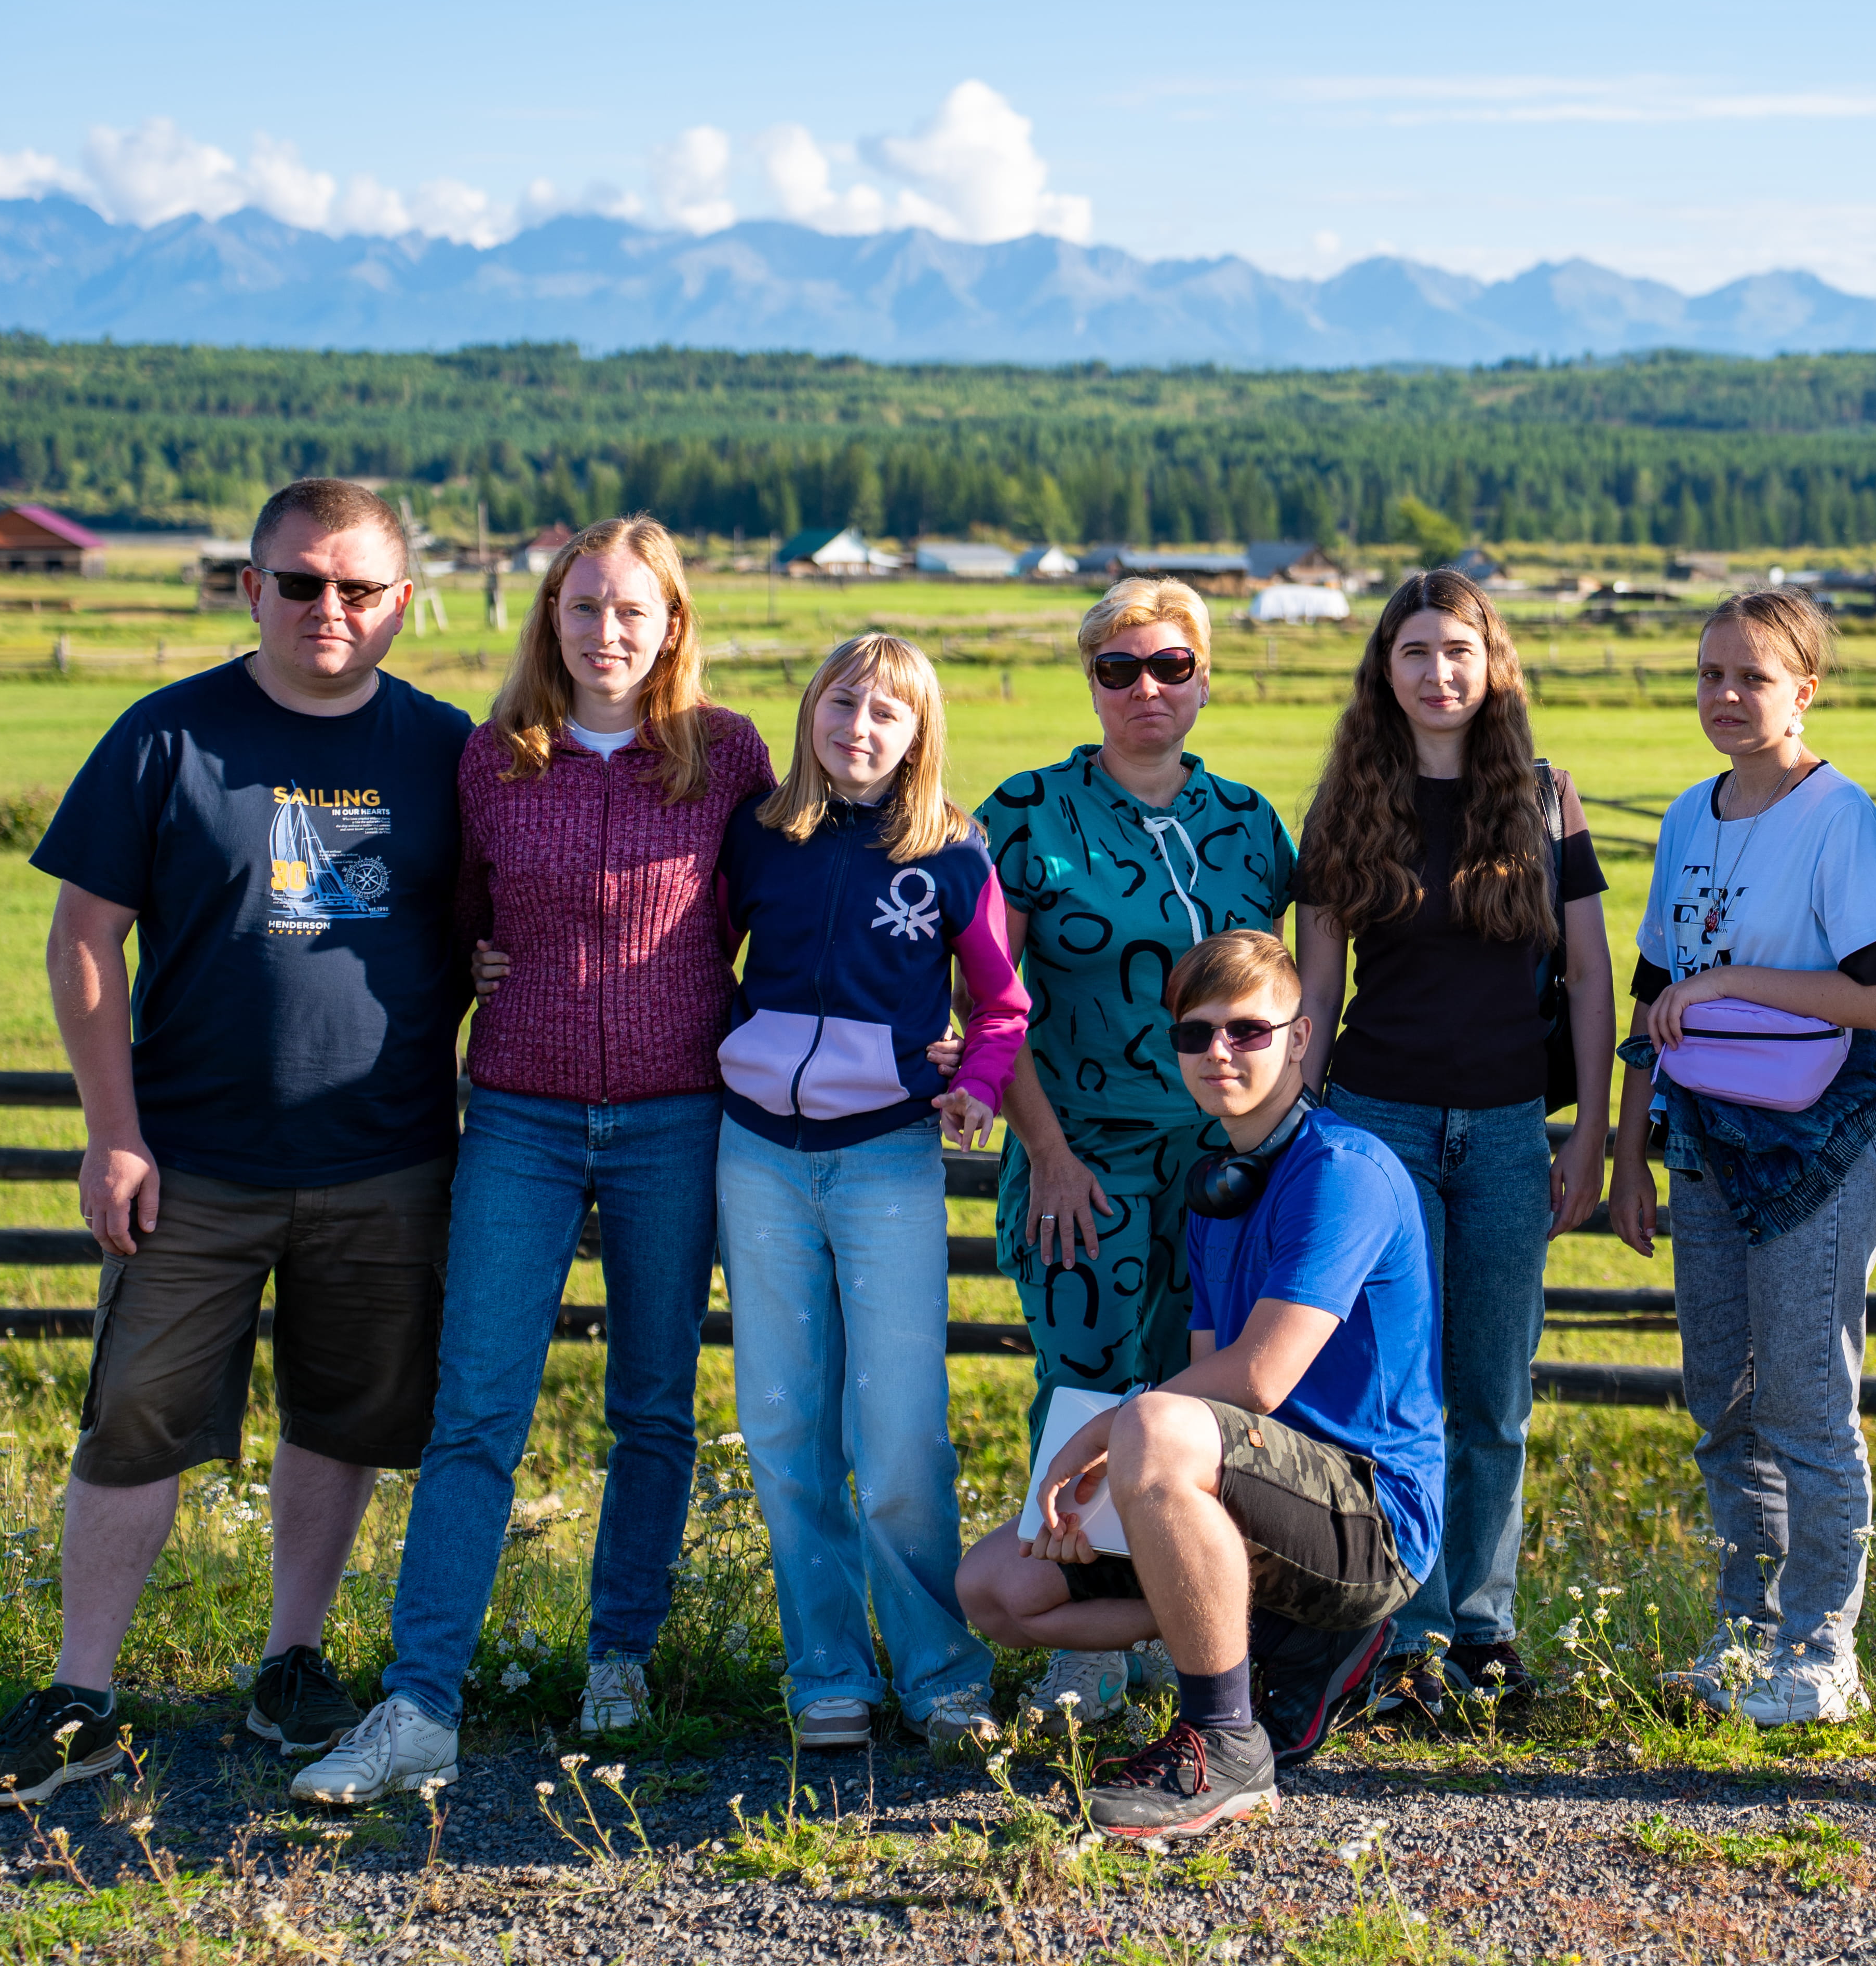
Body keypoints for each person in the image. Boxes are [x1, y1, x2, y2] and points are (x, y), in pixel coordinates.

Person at [0, 479, 471, 1807]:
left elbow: (499, 926)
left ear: (401, 602)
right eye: (300, 581)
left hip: (385, 1154)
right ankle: (81, 1691)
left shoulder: (449, 750)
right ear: (249, 588)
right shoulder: (165, 735)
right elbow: (84, 937)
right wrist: (112, 1133)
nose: (329, 608)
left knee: (343, 1413)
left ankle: (289, 1665)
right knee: (135, 1415)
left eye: (358, 587)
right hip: (191, 1155)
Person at [291, 516, 774, 1805]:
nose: (606, 632)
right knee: (478, 1411)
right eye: (582, 608)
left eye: (632, 610)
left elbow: (774, 916)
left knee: (655, 1406)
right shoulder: (493, 760)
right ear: (549, 619)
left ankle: (619, 1657)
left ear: (672, 622)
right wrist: (480, 974)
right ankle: (420, 1699)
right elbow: (450, 927)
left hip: (680, 1117)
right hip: (518, 1115)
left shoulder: (725, 755)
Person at [954, 930, 1439, 1842]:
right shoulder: (1222, 1186)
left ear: (1300, 1039)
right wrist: (1116, 1494)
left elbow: (1256, 1377)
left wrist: (1104, 1440)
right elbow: (1209, 1397)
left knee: (1153, 1426)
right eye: (1196, 1034)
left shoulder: (1344, 1172)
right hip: (1256, 1498)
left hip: (1370, 1521)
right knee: (997, 1587)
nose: (1219, 1052)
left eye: (1248, 1032)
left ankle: (1224, 1743)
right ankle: (1251, 1642)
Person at [973, 578, 1297, 1729]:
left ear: (1204, 676)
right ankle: (1084, 1635)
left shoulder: (1253, 821)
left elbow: (1288, 994)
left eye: (1170, 665)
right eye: (1119, 668)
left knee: (1198, 1397)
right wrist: (1049, 1154)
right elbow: (992, 1000)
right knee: (1090, 1385)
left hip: (1226, 1166)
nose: (1146, 688)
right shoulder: (1025, 813)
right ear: (1090, 681)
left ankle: (1185, 1622)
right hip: (1087, 1161)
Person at [1294, 570, 1613, 1721]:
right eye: (1417, 651)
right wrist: (1306, 1131)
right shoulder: (1344, 807)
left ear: (1494, 666)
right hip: (1375, 1128)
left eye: (1460, 651)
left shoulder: (1544, 802)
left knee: (1493, 1389)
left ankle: (1485, 1625)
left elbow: (1588, 975)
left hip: (1509, 1127)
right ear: (1387, 668)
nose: (1440, 672)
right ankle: (1403, 1637)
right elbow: (1316, 987)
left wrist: (1586, 1136)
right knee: (1397, 1392)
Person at [713, 634, 1030, 1756]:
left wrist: (978, 1088)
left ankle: (943, 1673)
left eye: (886, 713)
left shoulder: (953, 856)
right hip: (754, 1155)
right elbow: (692, 960)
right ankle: (827, 1671)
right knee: (785, 1422)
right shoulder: (757, 837)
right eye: (844, 702)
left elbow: (1000, 1005)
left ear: (917, 735)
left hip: (888, 1158)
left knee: (898, 1434)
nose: (859, 727)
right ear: (812, 709)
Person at [1606, 588, 1876, 1729]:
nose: (1728, 696)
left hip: (1814, 1140)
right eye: (1710, 675)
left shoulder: (1838, 816)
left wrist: (1734, 983)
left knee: (1805, 1395)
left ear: (1805, 688)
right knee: (1723, 1396)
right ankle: (1744, 1630)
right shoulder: (1693, 815)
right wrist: (1632, 1146)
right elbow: (1653, 988)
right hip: (1701, 1140)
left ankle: (1823, 1643)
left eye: (1752, 675)